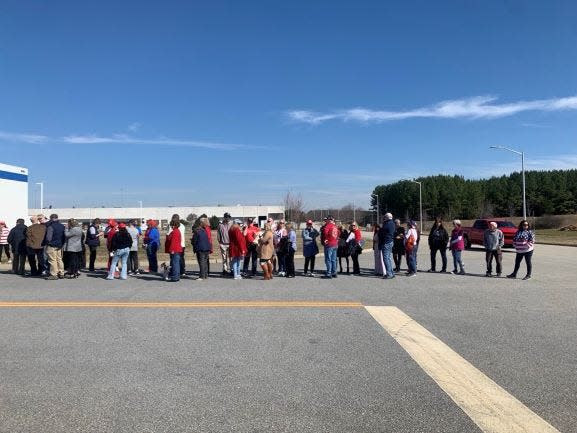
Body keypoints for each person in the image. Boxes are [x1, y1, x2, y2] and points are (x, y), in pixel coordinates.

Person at [44, 214, 66, 280]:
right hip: (59, 245)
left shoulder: (51, 226)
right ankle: (61, 273)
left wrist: (48, 243)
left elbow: (48, 237)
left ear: (51, 218)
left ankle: (54, 274)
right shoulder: (62, 226)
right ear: (57, 218)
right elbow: (64, 236)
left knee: (52, 260)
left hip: (52, 245)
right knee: (59, 259)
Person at [378, 213, 396, 279]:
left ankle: (389, 274)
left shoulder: (387, 224)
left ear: (387, 217)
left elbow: (381, 233)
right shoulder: (393, 223)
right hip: (390, 241)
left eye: (385, 217)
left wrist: (379, 229)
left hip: (386, 242)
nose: (384, 218)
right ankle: (391, 273)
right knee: (388, 258)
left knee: (386, 258)